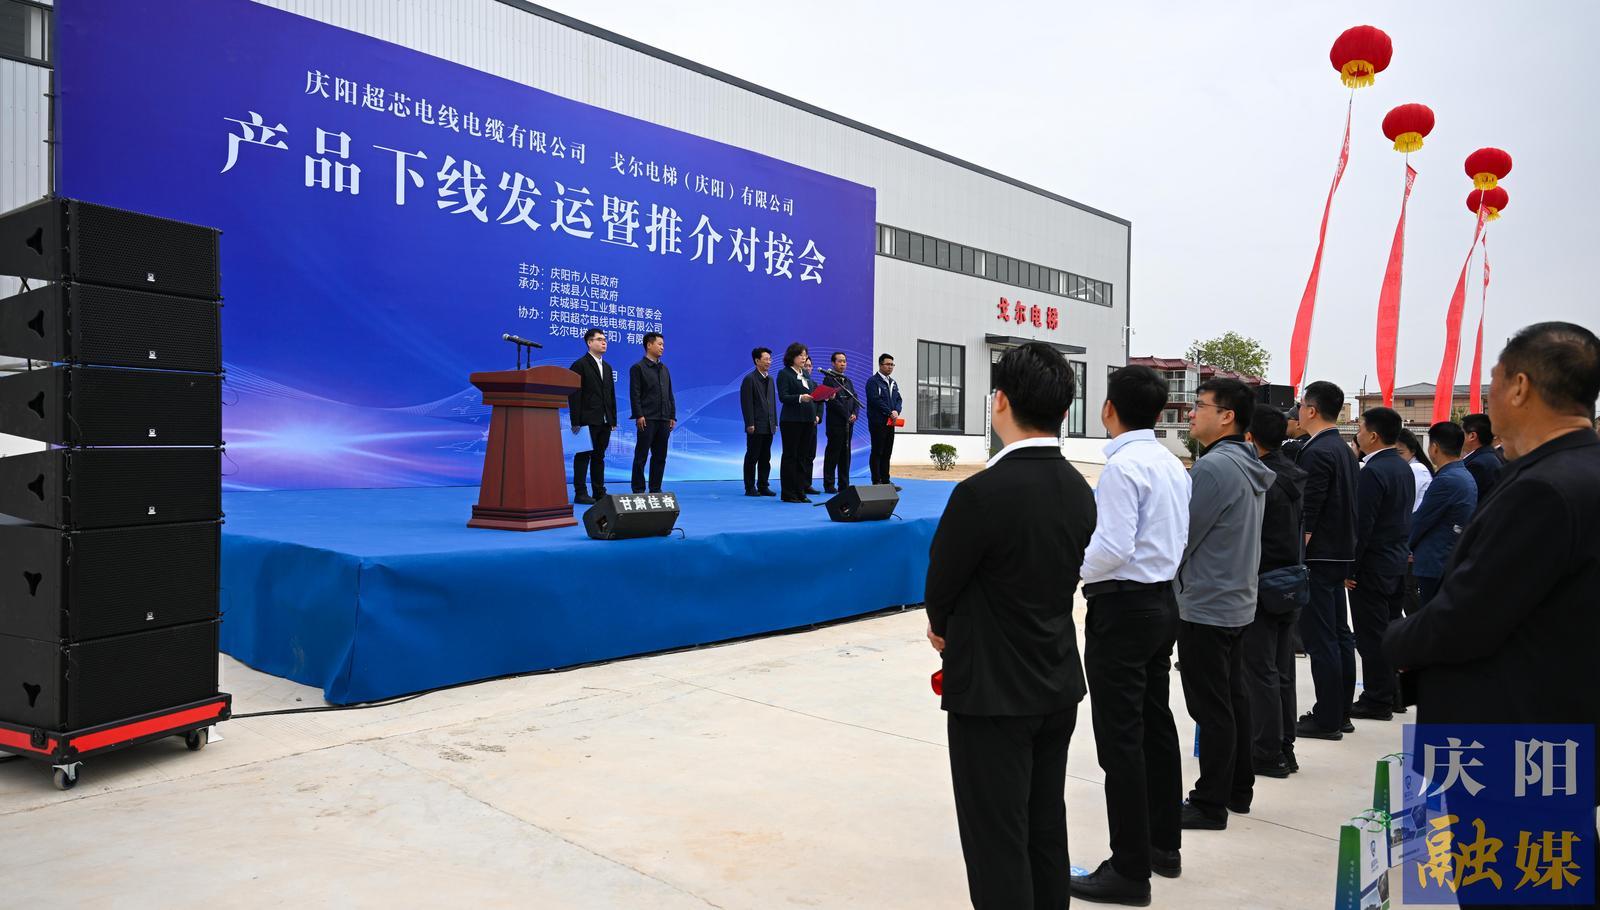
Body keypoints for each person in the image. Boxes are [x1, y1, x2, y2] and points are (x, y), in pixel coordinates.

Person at [1384, 322, 1600, 906]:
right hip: (1561, 730)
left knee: (1511, 883)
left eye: (1495, 383)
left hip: (1512, 737)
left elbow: (1467, 616)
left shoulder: (1544, 489)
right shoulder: (1577, 469)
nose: (1489, 398)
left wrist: (1395, 639)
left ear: (1521, 387)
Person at [924, 341, 1096, 910]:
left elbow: (941, 588)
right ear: (1064, 411)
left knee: (996, 839)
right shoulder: (1079, 488)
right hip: (1056, 680)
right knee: (1044, 824)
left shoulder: (980, 494)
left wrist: (943, 627)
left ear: (999, 401)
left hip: (993, 692)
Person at [1069, 366, 1190, 906]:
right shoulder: (1170, 463)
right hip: (1161, 602)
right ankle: (1164, 846)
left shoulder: (1122, 467)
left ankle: (1128, 870)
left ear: (1108, 409)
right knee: (1155, 725)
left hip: (1123, 608)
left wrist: (1072, 569)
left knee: (1120, 738)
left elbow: (1113, 548)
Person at [1176, 378, 1273, 830]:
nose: (1192, 413)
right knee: (1233, 699)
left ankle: (1210, 802)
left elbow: (1182, 537)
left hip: (1206, 604)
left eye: (1200, 405)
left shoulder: (1214, 468)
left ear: (1227, 416)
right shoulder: (1247, 462)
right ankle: (1238, 788)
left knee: (1211, 708)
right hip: (1235, 599)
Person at [1241, 405, 1307, 781]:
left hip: (1263, 581)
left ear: (1250, 438)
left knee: (1260, 669)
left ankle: (1266, 751)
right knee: (1282, 669)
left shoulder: (1262, 479)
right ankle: (1285, 745)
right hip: (1289, 580)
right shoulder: (1293, 474)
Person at [1292, 381, 1360, 741]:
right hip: (1340, 552)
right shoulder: (1344, 449)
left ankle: (1328, 717)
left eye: (1302, 405)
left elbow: (1310, 511)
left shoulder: (1317, 451)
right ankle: (1341, 711)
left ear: (1312, 410)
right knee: (1339, 634)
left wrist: (1298, 553)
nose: (1299, 411)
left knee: (1321, 639)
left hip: (1319, 555)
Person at [1345, 407, 1414, 722]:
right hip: (1395, 561)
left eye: (1360, 428)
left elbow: (1363, 526)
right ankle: (1393, 693)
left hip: (1372, 565)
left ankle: (1376, 699)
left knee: (1370, 636)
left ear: (1372, 435)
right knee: (1388, 630)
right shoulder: (1402, 467)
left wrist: (1351, 567)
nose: (1357, 433)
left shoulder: (1372, 471)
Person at [1408, 421, 1477, 607]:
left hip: (1436, 560)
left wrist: (1406, 547)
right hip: (1448, 556)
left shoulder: (1446, 480)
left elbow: (1422, 519)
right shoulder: (1463, 474)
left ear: (1435, 447)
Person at [567, 328, 617, 505]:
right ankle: (580, 493)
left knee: (599, 457)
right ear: (589, 343)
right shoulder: (579, 365)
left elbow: (611, 395)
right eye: (600, 339)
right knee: (583, 456)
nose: (604, 342)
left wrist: (612, 419)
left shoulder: (608, 367)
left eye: (605, 339)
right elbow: (574, 395)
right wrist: (575, 421)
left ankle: (599, 491)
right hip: (586, 420)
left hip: (604, 420)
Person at [628, 332, 676, 494]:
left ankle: (655, 488)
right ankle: (638, 489)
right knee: (641, 455)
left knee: (660, 456)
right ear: (649, 345)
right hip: (647, 418)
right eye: (659, 344)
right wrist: (639, 415)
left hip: (664, 418)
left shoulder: (664, 369)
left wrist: (672, 416)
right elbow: (635, 394)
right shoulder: (638, 368)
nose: (662, 347)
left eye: (663, 345)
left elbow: (669, 394)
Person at [775, 342, 820, 502]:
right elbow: (783, 397)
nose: (804, 358)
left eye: (805, 355)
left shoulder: (805, 374)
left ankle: (800, 491)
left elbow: (812, 394)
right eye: (801, 355)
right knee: (790, 456)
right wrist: (800, 398)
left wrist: (824, 396)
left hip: (807, 420)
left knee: (802, 457)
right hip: (792, 420)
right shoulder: (784, 373)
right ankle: (788, 493)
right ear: (792, 356)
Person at [739, 347, 778, 497]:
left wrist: (774, 422)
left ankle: (763, 485)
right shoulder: (749, 379)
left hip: (769, 425)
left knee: (765, 457)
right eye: (766, 359)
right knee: (752, 456)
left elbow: (772, 403)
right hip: (755, 425)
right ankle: (749, 487)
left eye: (770, 359)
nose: (769, 362)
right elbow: (746, 404)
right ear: (757, 361)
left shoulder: (770, 379)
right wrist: (750, 423)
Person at [820, 352, 860, 494]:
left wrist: (855, 413)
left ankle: (844, 484)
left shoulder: (847, 380)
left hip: (849, 424)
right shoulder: (828, 380)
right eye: (839, 361)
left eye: (844, 361)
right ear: (833, 363)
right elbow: (833, 403)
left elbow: (855, 398)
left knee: (845, 454)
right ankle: (829, 484)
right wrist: (847, 415)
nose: (843, 364)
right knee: (833, 454)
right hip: (836, 424)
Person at [865, 353, 903, 488]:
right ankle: (876, 481)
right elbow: (875, 400)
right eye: (887, 364)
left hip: (890, 423)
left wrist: (896, 411)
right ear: (880, 365)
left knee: (887, 452)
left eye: (892, 364)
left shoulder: (893, 382)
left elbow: (898, 399)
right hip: (878, 422)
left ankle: (886, 481)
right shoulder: (873, 381)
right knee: (877, 451)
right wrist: (889, 412)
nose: (890, 367)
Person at [1460, 412, 1504, 508]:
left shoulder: (1477, 464)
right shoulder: (1490, 456)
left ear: (1472, 436)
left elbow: (1467, 500)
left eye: (1461, 433)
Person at [1395, 428, 1433, 511]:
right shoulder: (1410, 467)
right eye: (1393, 453)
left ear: (1413, 451)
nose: (1396, 457)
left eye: (1400, 453)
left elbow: (1405, 501)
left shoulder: (1416, 469)